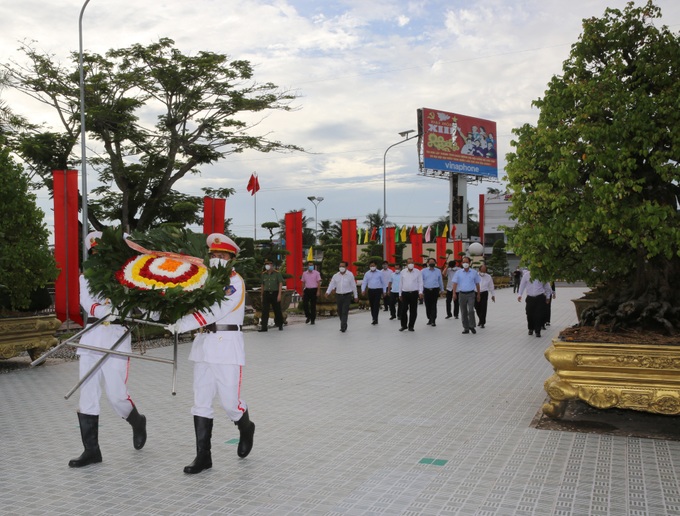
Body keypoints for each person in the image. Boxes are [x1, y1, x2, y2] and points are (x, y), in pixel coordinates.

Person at [169, 233, 255, 474]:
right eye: (213, 255)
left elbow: (215, 310)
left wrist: (182, 324)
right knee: (201, 401)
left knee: (230, 403)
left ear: (231, 259)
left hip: (226, 345)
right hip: (204, 344)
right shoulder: (204, 280)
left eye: (222, 255)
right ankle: (203, 457)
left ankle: (245, 426)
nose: (216, 259)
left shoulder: (234, 282)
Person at [69, 231, 147, 468]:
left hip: (116, 337)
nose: (98, 257)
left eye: (101, 252)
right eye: (94, 253)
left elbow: (140, 304)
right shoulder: (86, 277)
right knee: (88, 394)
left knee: (116, 394)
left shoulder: (125, 275)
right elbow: (87, 302)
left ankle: (137, 421)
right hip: (92, 338)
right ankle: (91, 451)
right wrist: (104, 311)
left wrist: (142, 310)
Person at [517, 269, 553, 338]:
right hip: (530, 297)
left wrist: (548, 297)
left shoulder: (541, 276)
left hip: (540, 297)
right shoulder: (526, 275)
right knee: (529, 313)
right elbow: (522, 285)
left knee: (539, 315)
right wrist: (519, 295)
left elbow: (547, 287)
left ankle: (537, 331)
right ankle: (531, 328)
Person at [325, 261, 358, 332]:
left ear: (346, 267)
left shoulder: (350, 275)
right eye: (340, 266)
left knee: (344, 311)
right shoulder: (336, 275)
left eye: (343, 266)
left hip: (347, 295)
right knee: (339, 311)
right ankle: (344, 323)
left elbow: (353, 286)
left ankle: (343, 326)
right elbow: (331, 284)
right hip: (338, 295)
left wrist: (356, 296)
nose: (341, 268)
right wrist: (327, 292)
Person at [452, 256, 481, 334]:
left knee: (471, 310)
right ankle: (466, 328)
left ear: (470, 263)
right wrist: (454, 293)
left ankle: (472, 325)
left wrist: (478, 294)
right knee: (463, 311)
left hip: (471, 293)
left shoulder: (474, 272)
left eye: (467, 262)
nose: (465, 264)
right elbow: (455, 283)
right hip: (462, 294)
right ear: (461, 263)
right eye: (463, 262)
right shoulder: (458, 272)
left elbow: (477, 283)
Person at [398, 257, 423, 332]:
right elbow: (400, 283)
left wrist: (420, 292)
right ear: (406, 264)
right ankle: (404, 325)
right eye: (409, 263)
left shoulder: (417, 272)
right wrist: (400, 294)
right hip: (405, 293)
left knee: (413, 310)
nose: (410, 264)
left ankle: (411, 326)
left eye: (412, 263)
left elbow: (420, 282)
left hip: (414, 293)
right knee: (403, 310)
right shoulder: (403, 272)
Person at [259, 259, 284, 332]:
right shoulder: (263, 274)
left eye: (268, 264)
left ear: (272, 265)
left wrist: (279, 294)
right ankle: (264, 327)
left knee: (277, 310)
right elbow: (262, 285)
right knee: (264, 311)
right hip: (266, 293)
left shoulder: (277, 273)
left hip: (275, 293)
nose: (267, 265)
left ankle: (280, 324)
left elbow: (280, 283)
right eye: (266, 264)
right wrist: (261, 295)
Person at [361, 260, 388, 325]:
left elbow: (383, 283)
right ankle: (373, 317)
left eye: (373, 266)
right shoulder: (367, 273)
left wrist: (384, 291)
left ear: (376, 266)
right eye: (371, 266)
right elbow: (364, 282)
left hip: (378, 290)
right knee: (372, 305)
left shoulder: (380, 273)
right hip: (370, 290)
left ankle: (375, 319)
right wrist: (363, 290)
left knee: (376, 304)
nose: (372, 267)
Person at [422, 258, 444, 326]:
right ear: (428, 263)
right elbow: (421, 281)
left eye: (433, 262)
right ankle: (429, 318)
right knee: (427, 305)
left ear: (435, 263)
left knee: (434, 305)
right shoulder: (423, 271)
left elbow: (440, 280)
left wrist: (442, 289)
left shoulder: (438, 271)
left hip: (435, 290)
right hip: (426, 290)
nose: (432, 263)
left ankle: (433, 320)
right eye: (430, 262)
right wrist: (420, 291)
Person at [475, 264, 496, 328]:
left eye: (485, 270)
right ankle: (480, 319)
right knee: (477, 307)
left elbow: (491, 286)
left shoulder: (488, 276)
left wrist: (493, 295)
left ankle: (482, 322)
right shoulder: (475, 275)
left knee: (483, 308)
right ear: (479, 269)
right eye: (482, 269)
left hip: (484, 293)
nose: (483, 271)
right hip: (475, 292)